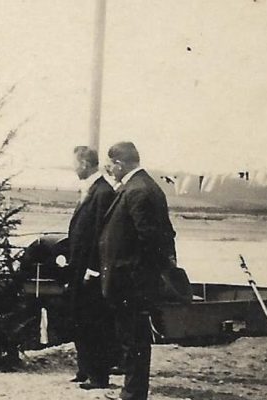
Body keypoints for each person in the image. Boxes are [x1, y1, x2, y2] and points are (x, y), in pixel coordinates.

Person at [98, 141, 177, 400]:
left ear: (120, 163)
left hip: (131, 282)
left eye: (110, 164)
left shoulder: (138, 190)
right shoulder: (140, 186)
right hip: (132, 280)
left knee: (134, 340)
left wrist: (132, 272)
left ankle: (133, 394)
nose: (108, 169)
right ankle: (131, 392)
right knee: (132, 339)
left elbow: (151, 238)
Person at [66, 146, 118, 390]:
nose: (74, 167)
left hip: (91, 272)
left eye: (75, 163)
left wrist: (93, 269)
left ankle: (99, 376)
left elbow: (102, 235)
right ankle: (85, 369)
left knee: (94, 322)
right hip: (80, 269)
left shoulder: (103, 192)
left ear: (85, 164)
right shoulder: (92, 190)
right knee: (81, 320)